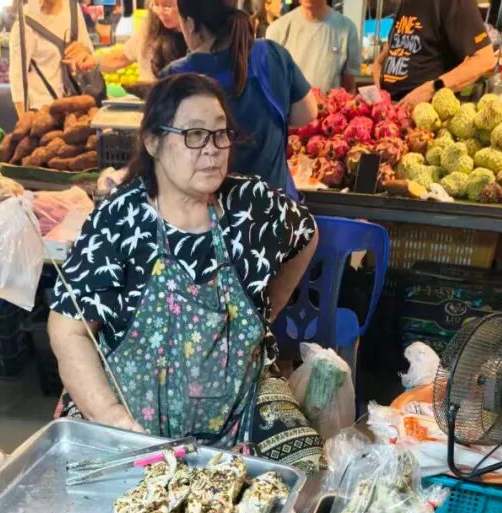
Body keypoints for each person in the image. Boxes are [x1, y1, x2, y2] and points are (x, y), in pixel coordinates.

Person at [48, 73, 323, 470]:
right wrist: (112, 417)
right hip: (129, 409)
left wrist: (268, 312)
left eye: (220, 133)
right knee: (80, 493)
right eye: (194, 134)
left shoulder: (253, 205)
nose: (212, 150)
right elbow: (68, 329)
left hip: (241, 408)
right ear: (153, 141)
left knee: (307, 468)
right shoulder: (119, 218)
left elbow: (307, 235)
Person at [162, 0, 317, 196]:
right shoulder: (271, 55)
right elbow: (307, 113)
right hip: (274, 211)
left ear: (191, 25)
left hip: (207, 217)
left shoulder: (174, 77)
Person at [371, 0, 496, 107]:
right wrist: (378, 65)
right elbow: (397, 43)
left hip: (427, 121)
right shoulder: (405, 3)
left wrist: (431, 89)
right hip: (391, 115)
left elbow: (484, 59)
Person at [9, 0, 96, 114]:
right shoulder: (25, 21)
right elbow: (17, 77)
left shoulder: (72, 8)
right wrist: (23, 119)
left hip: (75, 104)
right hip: (44, 110)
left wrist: (83, 50)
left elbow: (89, 51)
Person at [265, 0, 361, 92]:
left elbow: (349, 87)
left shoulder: (347, 29)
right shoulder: (277, 30)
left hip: (330, 107)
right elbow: (270, 84)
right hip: (289, 108)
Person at [94, 0, 185, 82]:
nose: (160, 12)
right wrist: (94, 62)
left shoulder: (195, 35)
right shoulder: (149, 29)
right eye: (156, 4)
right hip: (153, 97)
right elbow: (121, 58)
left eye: (167, 6)